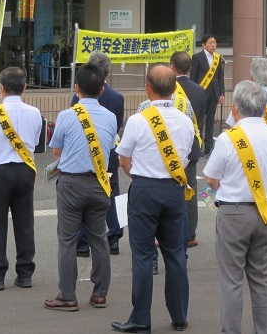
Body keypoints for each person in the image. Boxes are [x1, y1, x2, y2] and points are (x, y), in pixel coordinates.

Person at [111, 64, 193, 333]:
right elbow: (188, 156)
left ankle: (141, 319)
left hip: (145, 190)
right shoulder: (185, 120)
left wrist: (139, 177)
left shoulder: (138, 120)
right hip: (174, 191)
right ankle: (180, 315)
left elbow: (123, 159)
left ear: (148, 87)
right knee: (175, 254)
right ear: (174, 88)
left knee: (144, 256)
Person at [204, 80, 267, 334]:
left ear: (236, 108)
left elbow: (211, 179)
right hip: (264, 212)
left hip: (233, 213)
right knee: (262, 280)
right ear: (263, 108)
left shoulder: (228, 139)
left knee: (231, 280)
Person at [44, 62, 117, 312]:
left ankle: (67, 295)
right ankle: (99, 294)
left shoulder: (66, 115)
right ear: (102, 90)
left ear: (76, 88)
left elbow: (56, 151)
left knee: (67, 240)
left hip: (72, 185)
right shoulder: (111, 117)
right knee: (99, 238)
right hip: (99, 183)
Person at [0, 67, 42, 290]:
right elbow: (36, 141)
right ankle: (24, 274)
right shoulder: (34, 113)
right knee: (24, 222)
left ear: (1, 88)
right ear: (25, 87)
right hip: (25, 170)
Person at [227, 57, 267, 265]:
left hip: (247, 154)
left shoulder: (244, 98)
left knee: (248, 198)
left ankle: (247, 248)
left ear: (252, 77)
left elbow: (232, 126)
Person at [72, 51, 125, 258]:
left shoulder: (78, 97)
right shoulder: (117, 98)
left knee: (84, 200)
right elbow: (116, 126)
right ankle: (114, 239)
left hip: (83, 156)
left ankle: (83, 243)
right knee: (112, 195)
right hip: (108, 155)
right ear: (108, 72)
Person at [171, 51, 205, 248]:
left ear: (172, 66)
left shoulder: (167, 87)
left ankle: (169, 232)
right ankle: (190, 233)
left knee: (168, 190)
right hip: (191, 145)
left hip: (168, 148)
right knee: (190, 191)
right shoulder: (200, 90)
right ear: (190, 67)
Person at [190, 34, 225, 157]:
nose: (213, 45)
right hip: (201, 93)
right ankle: (198, 147)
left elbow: (221, 78)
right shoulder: (197, 57)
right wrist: (192, 93)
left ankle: (209, 147)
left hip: (214, 93)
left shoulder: (218, 58)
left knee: (210, 121)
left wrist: (222, 93)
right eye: (210, 43)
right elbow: (193, 77)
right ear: (203, 45)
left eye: (214, 43)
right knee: (199, 121)